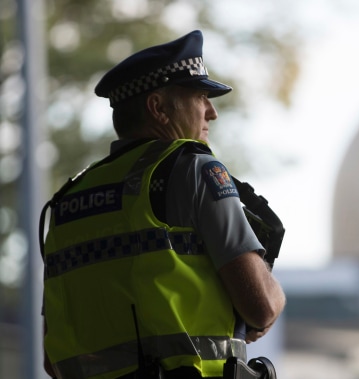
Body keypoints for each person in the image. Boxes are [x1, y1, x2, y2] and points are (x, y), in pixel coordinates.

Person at [40, 30, 286, 379]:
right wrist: (273, 293)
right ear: (158, 108)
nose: (211, 112)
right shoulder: (194, 169)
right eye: (201, 97)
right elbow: (260, 308)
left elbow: (53, 358)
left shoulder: (66, 202)